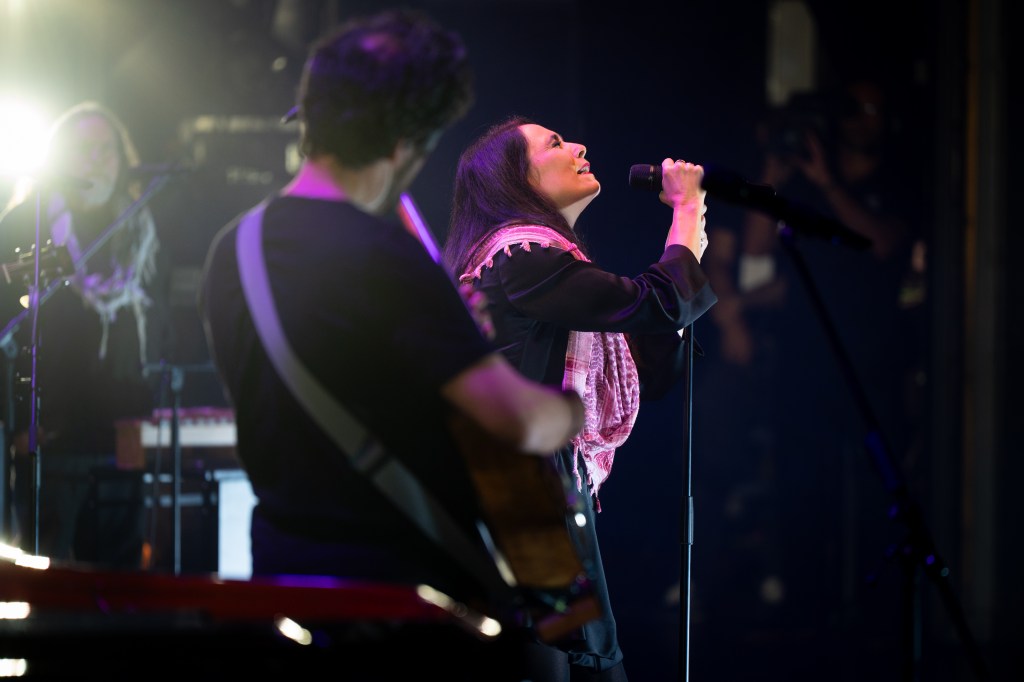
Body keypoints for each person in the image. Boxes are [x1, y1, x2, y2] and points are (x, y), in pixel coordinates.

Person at [198, 10, 586, 677]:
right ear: (405, 142)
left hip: (285, 585)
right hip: (403, 608)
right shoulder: (385, 258)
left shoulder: (233, 250)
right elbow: (517, 420)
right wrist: (570, 411)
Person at [441, 115, 718, 681]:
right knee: (552, 665)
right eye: (555, 143)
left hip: (543, 508)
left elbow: (652, 362)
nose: (579, 146)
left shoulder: (544, 266)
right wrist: (685, 215)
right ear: (514, 179)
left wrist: (684, 255)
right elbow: (656, 303)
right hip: (522, 514)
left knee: (580, 663)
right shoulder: (516, 255)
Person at [0, 101, 172, 557]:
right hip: (50, 441)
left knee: (121, 576)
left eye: (106, 149)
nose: (96, 160)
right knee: (51, 573)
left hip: (123, 438)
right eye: (82, 149)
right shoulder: (27, 224)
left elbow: (161, 325)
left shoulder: (142, 228)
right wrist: (18, 422)